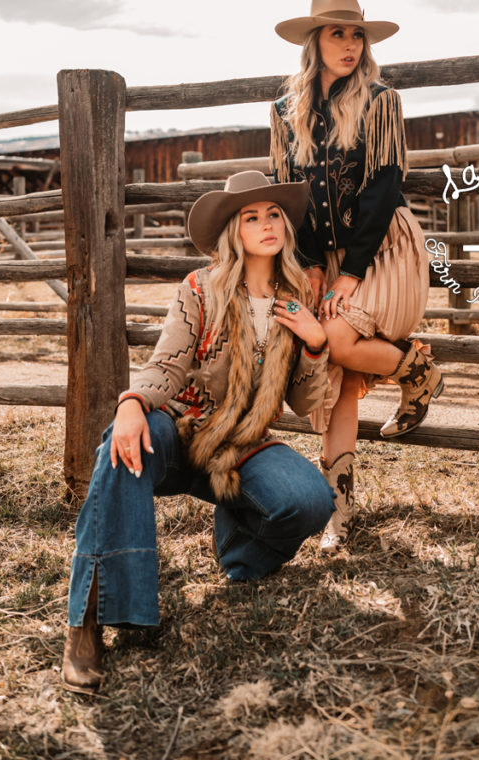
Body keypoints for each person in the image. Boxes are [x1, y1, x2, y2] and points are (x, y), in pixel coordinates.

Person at [62, 170, 334, 694]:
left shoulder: (300, 295)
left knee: (310, 501)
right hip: (182, 427)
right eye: (251, 217)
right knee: (120, 451)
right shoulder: (201, 288)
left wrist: (316, 343)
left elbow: (301, 403)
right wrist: (133, 403)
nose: (266, 224)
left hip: (243, 444)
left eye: (274, 213)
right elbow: (168, 365)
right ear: (234, 230)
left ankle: (240, 557)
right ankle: (91, 621)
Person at [270, 0, 443, 553]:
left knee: (338, 343)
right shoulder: (283, 112)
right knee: (335, 388)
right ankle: (336, 515)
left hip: (383, 248)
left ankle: (417, 370)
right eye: (336, 33)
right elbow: (290, 197)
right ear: (313, 41)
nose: (348, 44)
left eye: (356, 34)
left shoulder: (380, 100)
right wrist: (313, 264)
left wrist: (349, 272)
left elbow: (382, 188)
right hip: (326, 259)